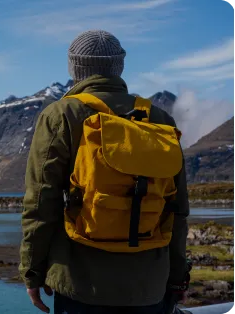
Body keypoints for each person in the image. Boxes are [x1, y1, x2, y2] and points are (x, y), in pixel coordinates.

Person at [19, 30, 190, 314]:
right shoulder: (159, 119)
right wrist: (177, 279)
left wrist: (32, 272)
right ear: (119, 66)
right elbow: (177, 209)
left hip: (82, 285)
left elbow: (40, 204)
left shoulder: (61, 115)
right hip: (149, 287)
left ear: (74, 68)